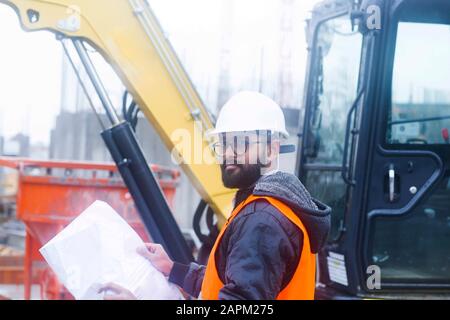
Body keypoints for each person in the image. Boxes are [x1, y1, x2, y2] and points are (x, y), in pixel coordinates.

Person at [100, 91, 331, 300]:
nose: (228, 154)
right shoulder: (272, 209)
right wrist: (173, 269)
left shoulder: (263, 221)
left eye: (241, 144)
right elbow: (227, 282)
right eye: (224, 144)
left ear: (271, 150)